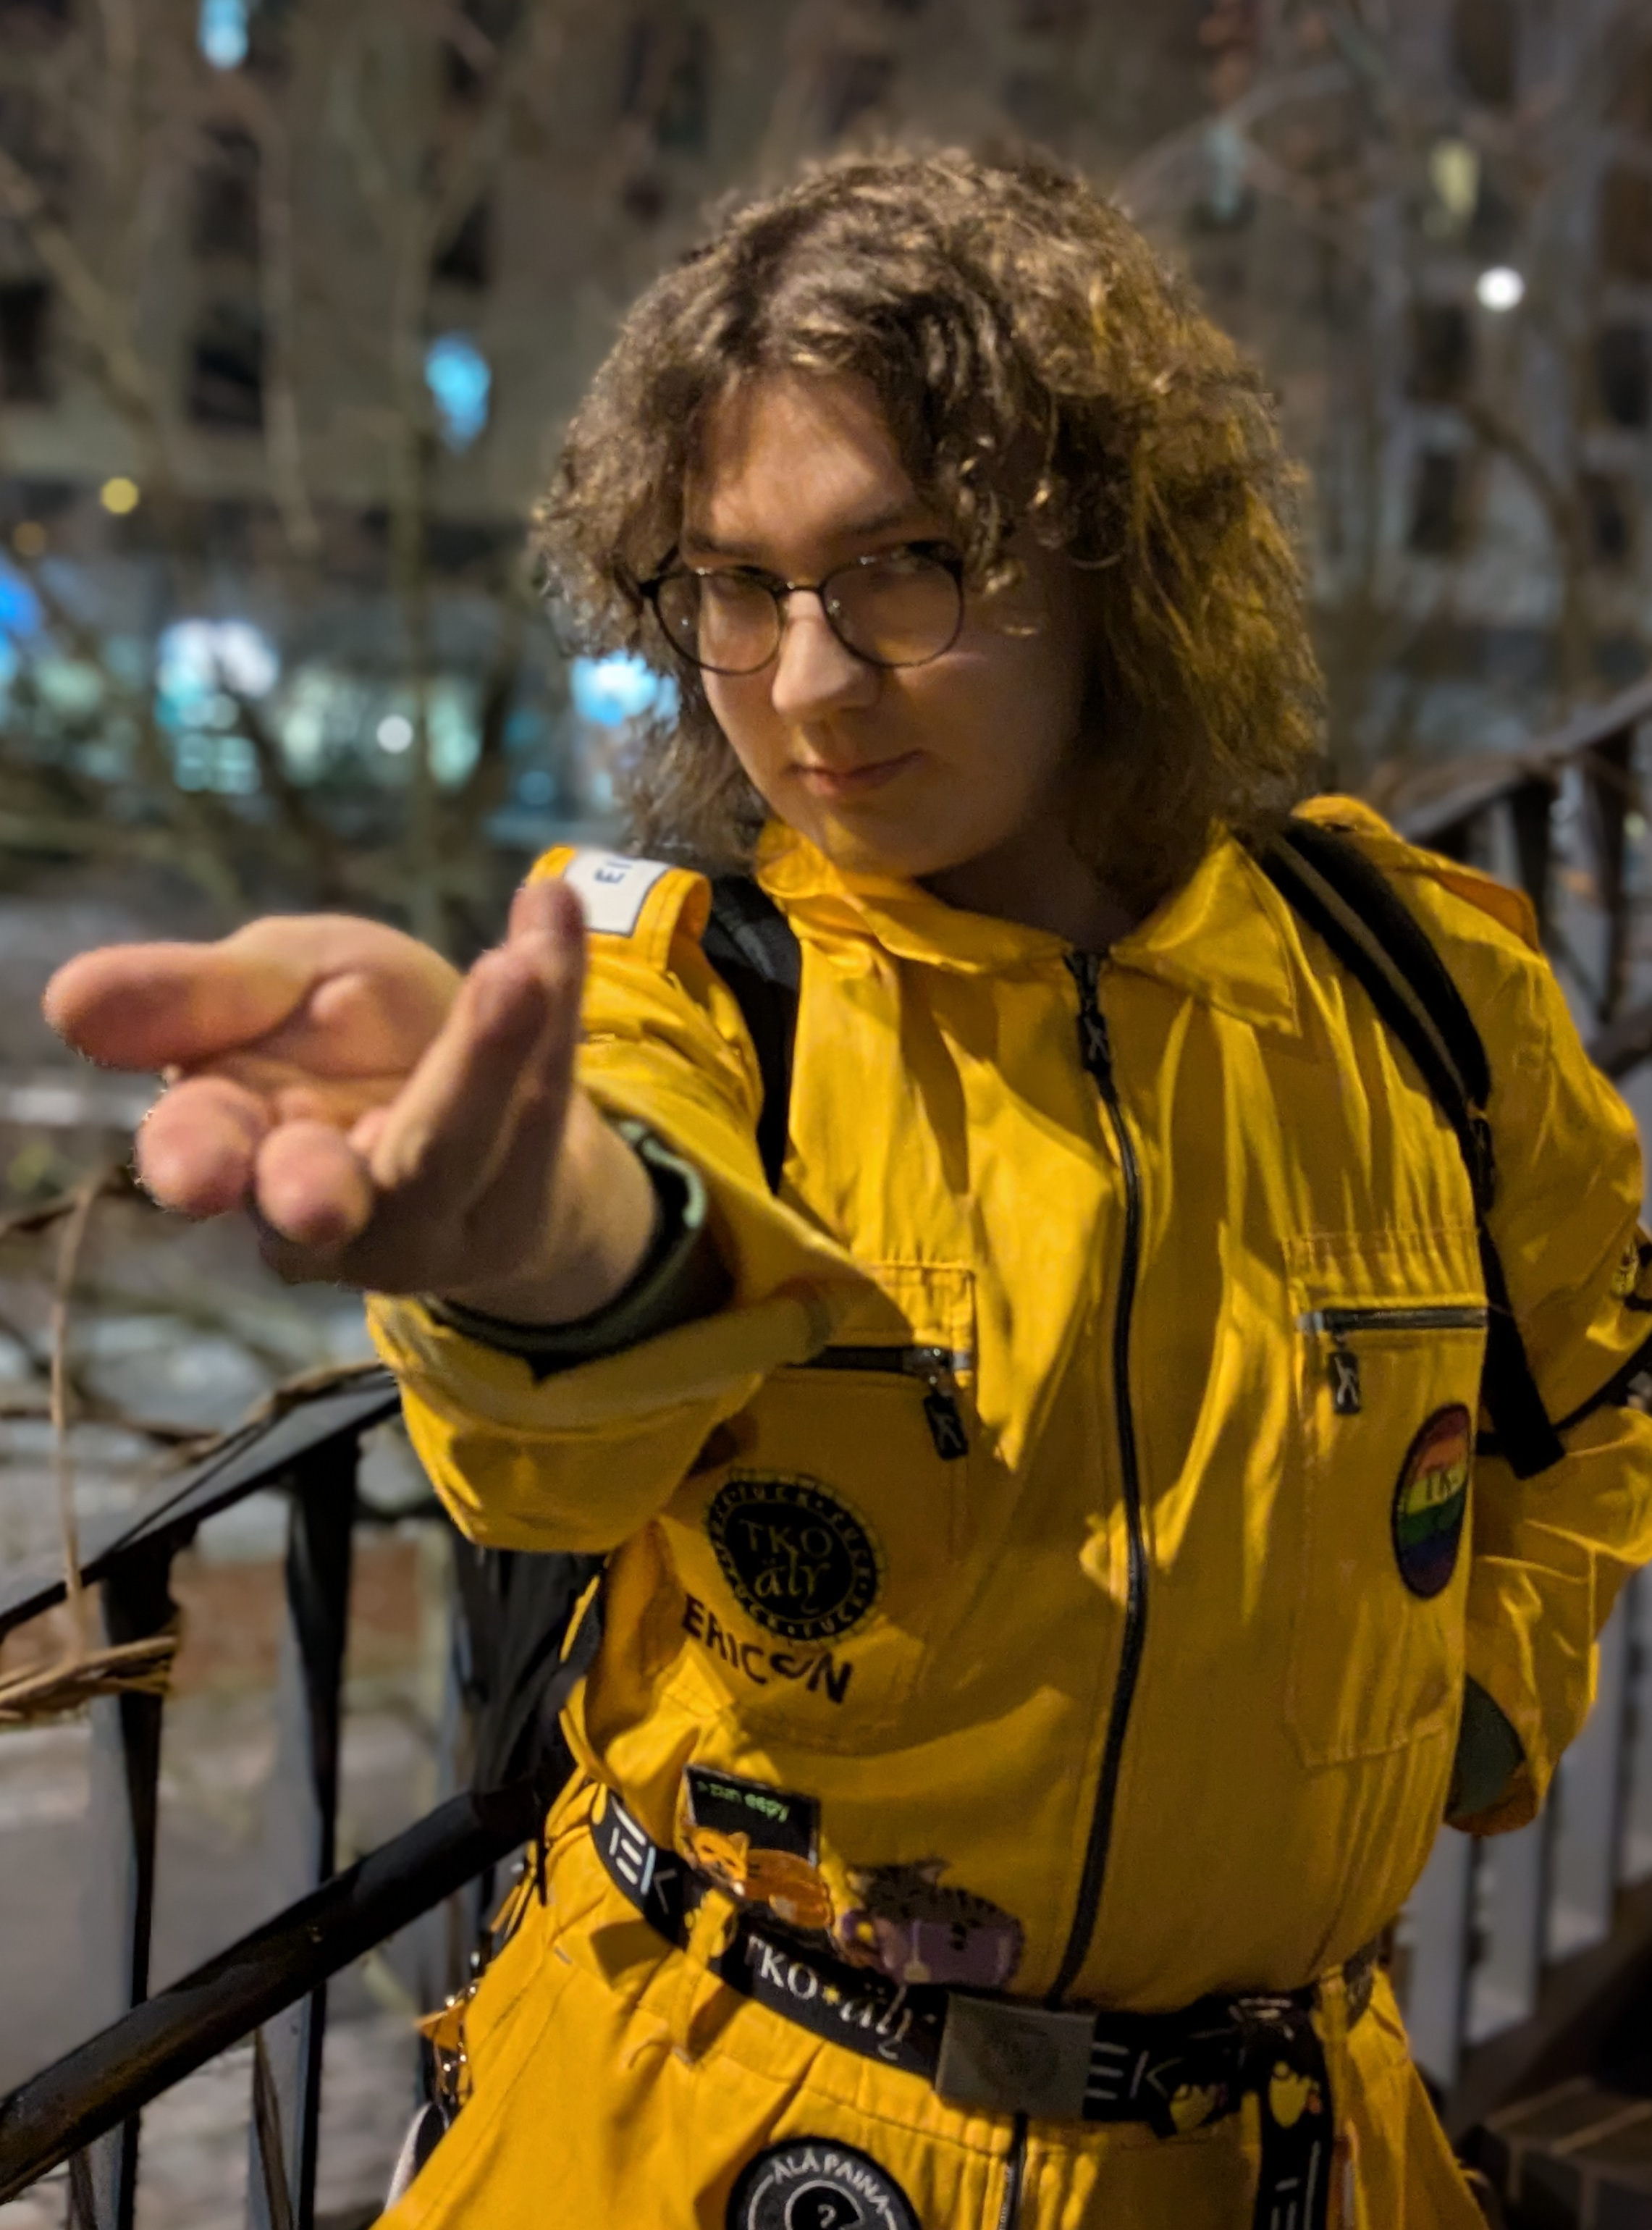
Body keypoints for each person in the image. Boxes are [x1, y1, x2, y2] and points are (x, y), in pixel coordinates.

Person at [46, 147, 1652, 2230]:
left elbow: (1591, 1394)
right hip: (720, 2130)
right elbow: (610, 1260)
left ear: (1117, 555)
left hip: (1279, 2151)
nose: (804, 683)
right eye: (735, 585)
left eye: (902, 566)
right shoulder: (699, 987)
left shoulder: (1415, 988)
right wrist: (533, 1251)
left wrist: (1463, 1710)